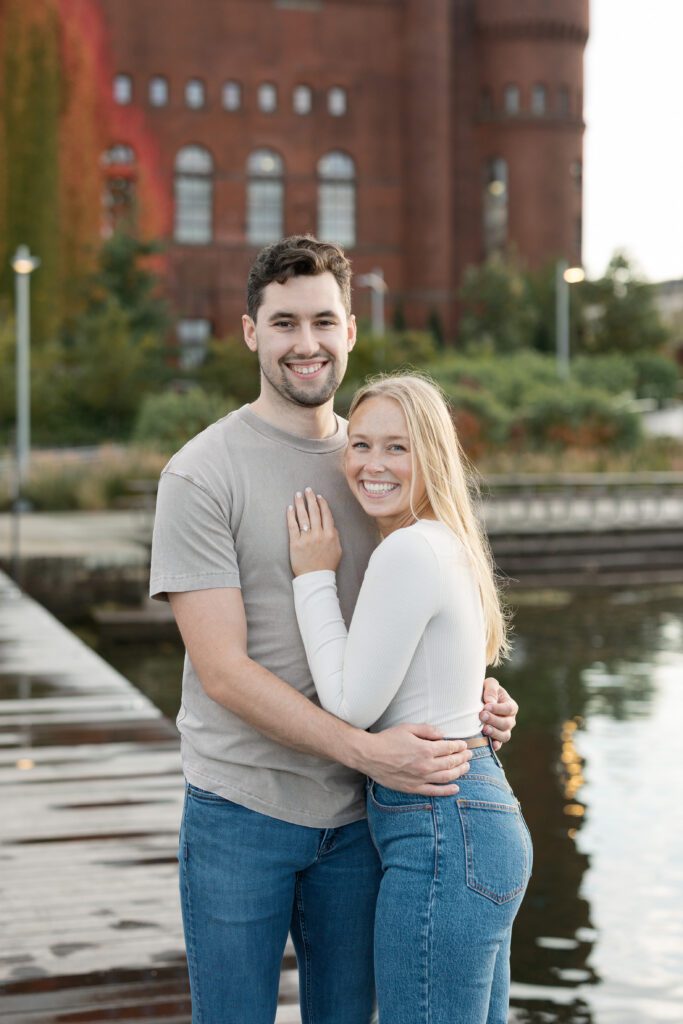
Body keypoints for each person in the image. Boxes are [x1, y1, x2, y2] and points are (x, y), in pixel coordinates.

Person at [149, 235, 519, 1024]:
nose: (306, 343)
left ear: (351, 328)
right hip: (240, 809)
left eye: (323, 320)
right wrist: (365, 749)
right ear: (250, 331)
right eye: (283, 323)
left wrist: (473, 697)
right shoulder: (199, 473)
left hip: (363, 821)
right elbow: (221, 670)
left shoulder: (378, 457)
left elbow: (431, 602)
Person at [287, 373, 532, 1024]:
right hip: (472, 817)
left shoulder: (408, 550)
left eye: (396, 448)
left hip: (442, 834)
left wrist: (311, 577)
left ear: (431, 454)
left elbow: (350, 707)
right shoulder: (446, 540)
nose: (372, 464)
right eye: (359, 444)